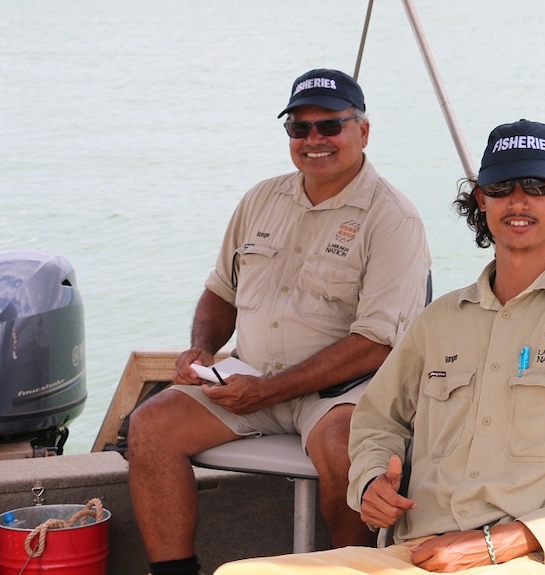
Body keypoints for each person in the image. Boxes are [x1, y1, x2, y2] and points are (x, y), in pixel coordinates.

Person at [212, 119, 545, 575]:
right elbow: (378, 419)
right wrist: (372, 480)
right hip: (415, 555)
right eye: (500, 186)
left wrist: (494, 545)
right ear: (481, 199)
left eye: (537, 184)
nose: (518, 200)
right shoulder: (439, 322)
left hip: (530, 560)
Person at [128, 68, 431, 575]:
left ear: (363, 131)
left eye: (330, 126)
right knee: (149, 426)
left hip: (347, 392)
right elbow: (220, 292)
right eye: (299, 128)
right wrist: (202, 349)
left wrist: (266, 390)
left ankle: (359, 571)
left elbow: (377, 345)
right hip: (252, 379)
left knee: (344, 449)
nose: (314, 140)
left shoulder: (394, 218)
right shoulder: (260, 199)